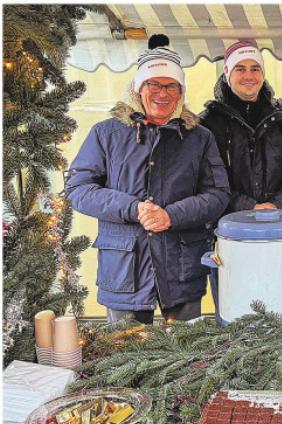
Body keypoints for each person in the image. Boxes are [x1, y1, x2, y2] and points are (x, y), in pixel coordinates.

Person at [65, 35, 230, 324]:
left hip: (181, 266)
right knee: (124, 357)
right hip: (124, 268)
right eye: (154, 84)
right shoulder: (107, 134)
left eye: (171, 86)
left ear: (180, 92)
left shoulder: (199, 137)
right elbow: (78, 188)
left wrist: (171, 215)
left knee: (184, 358)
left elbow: (218, 193)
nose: (162, 93)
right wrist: (133, 208)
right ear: (139, 88)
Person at [199, 39, 282, 319]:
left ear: (263, 73)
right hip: (231, 234)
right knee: (237, 310)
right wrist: (248, 208)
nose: (249, 76)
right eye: (240, 69)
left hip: (281, 231)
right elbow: (208, 179)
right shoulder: (208, 122)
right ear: (228, 73)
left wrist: (275, 206)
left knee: (281, 306)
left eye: (255, 68)